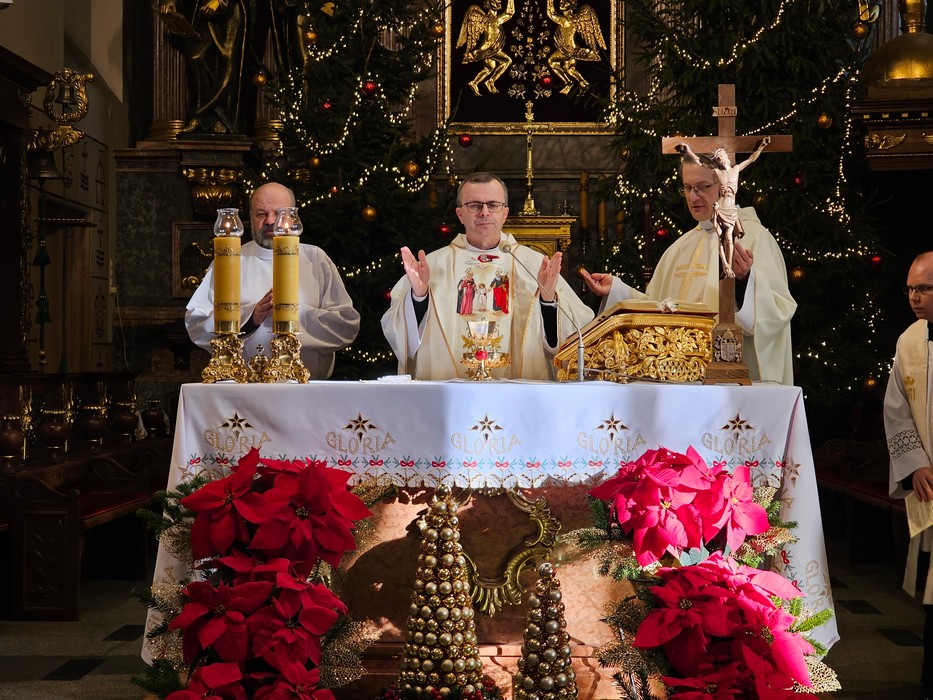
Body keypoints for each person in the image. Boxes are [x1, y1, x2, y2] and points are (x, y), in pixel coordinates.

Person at [580, 151, 796, 385]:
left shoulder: (754, 238)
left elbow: (777, 314)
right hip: (680, 380)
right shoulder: (679, 248)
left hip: (730, 384)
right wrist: (618, 290)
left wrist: (745, 280)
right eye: (688, 187)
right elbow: (657, 308)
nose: (694, 196)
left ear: (725, 186)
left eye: (702, 187)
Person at [381, 171, 594, 380]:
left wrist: (548, 302)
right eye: (474, 205)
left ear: (505, 213)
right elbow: (399, 334)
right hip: (450, 394)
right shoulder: (433, 266)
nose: (484, 212)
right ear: (460, 214)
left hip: (518, 395)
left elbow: (577, 333)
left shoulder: (534, 265)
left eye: (493, 205)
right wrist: (419, 297)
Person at [186, 182, 360, 378]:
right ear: (250, 216)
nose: (270, 221)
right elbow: (196, 323)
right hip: (244, 385)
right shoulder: (229, 258)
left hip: (306, 386)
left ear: (293, 216)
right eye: (261, 214)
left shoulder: (315, 259)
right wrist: (250, 318)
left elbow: (346, 326)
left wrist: (292, 314)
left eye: (279, 213)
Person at [885, 250, 933, 700]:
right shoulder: (910, 341)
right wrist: (915, 461)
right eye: (910, 289)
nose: (914, 298)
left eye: (924, 289)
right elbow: (896, 410)